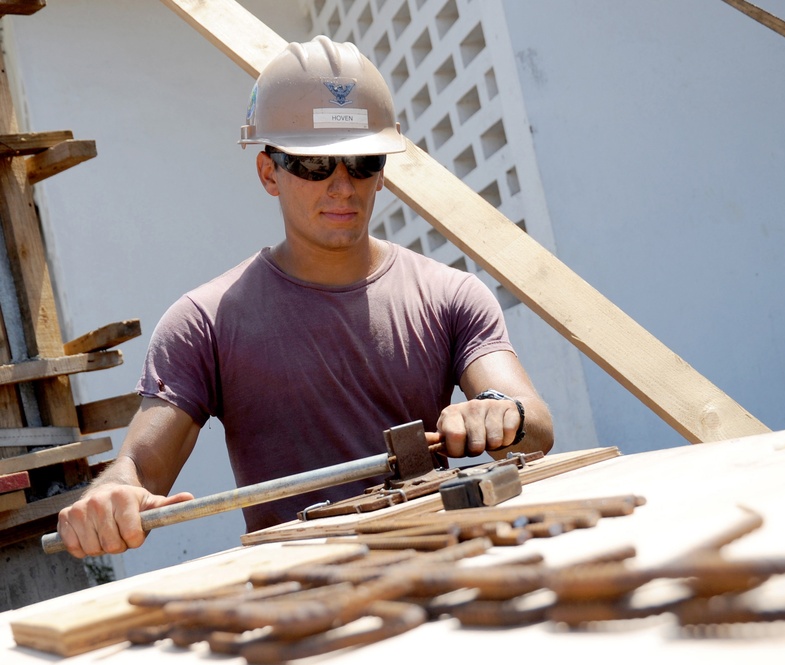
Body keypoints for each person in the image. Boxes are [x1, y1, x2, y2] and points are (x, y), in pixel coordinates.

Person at [56, 36, 554, 559]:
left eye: (361, 161)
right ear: (270, 172)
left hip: (439, 566)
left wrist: (499, 413)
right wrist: (110, 496)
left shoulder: (450, 295)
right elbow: (140, 466)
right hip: (297, 594)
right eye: (315, 165)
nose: (342, 185)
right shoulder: (207, 321)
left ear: (382, 171)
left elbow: (535, 424)